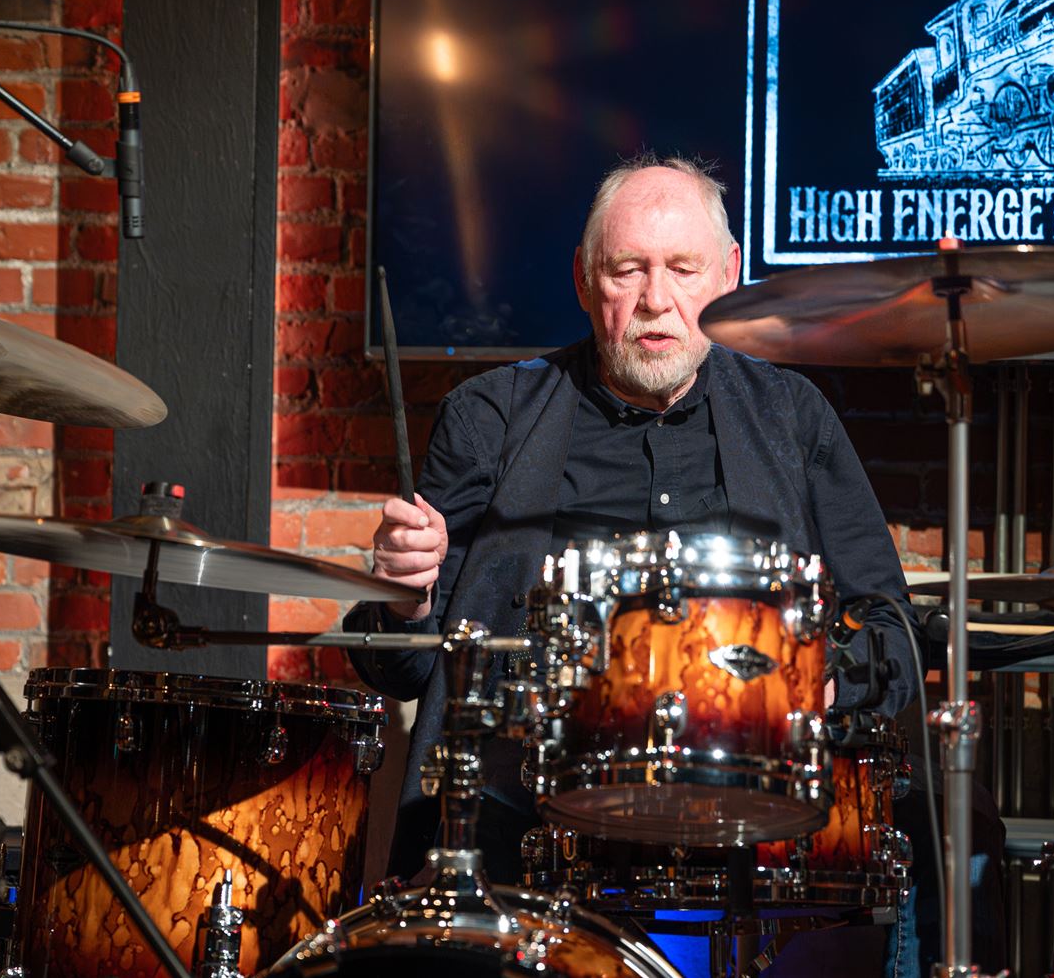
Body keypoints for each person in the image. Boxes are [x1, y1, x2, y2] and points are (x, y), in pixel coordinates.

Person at [343, 155, 1003, 975]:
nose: (656, 298)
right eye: (628, 269)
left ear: (729, 274)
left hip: (755, 804)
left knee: (948, 819)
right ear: (584, 280)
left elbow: (893, 627)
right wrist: (404, 596)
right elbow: (401, 665)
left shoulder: (792, 417)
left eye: (682, 269)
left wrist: (817, 679)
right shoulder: (491, 418)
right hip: (532, 804)